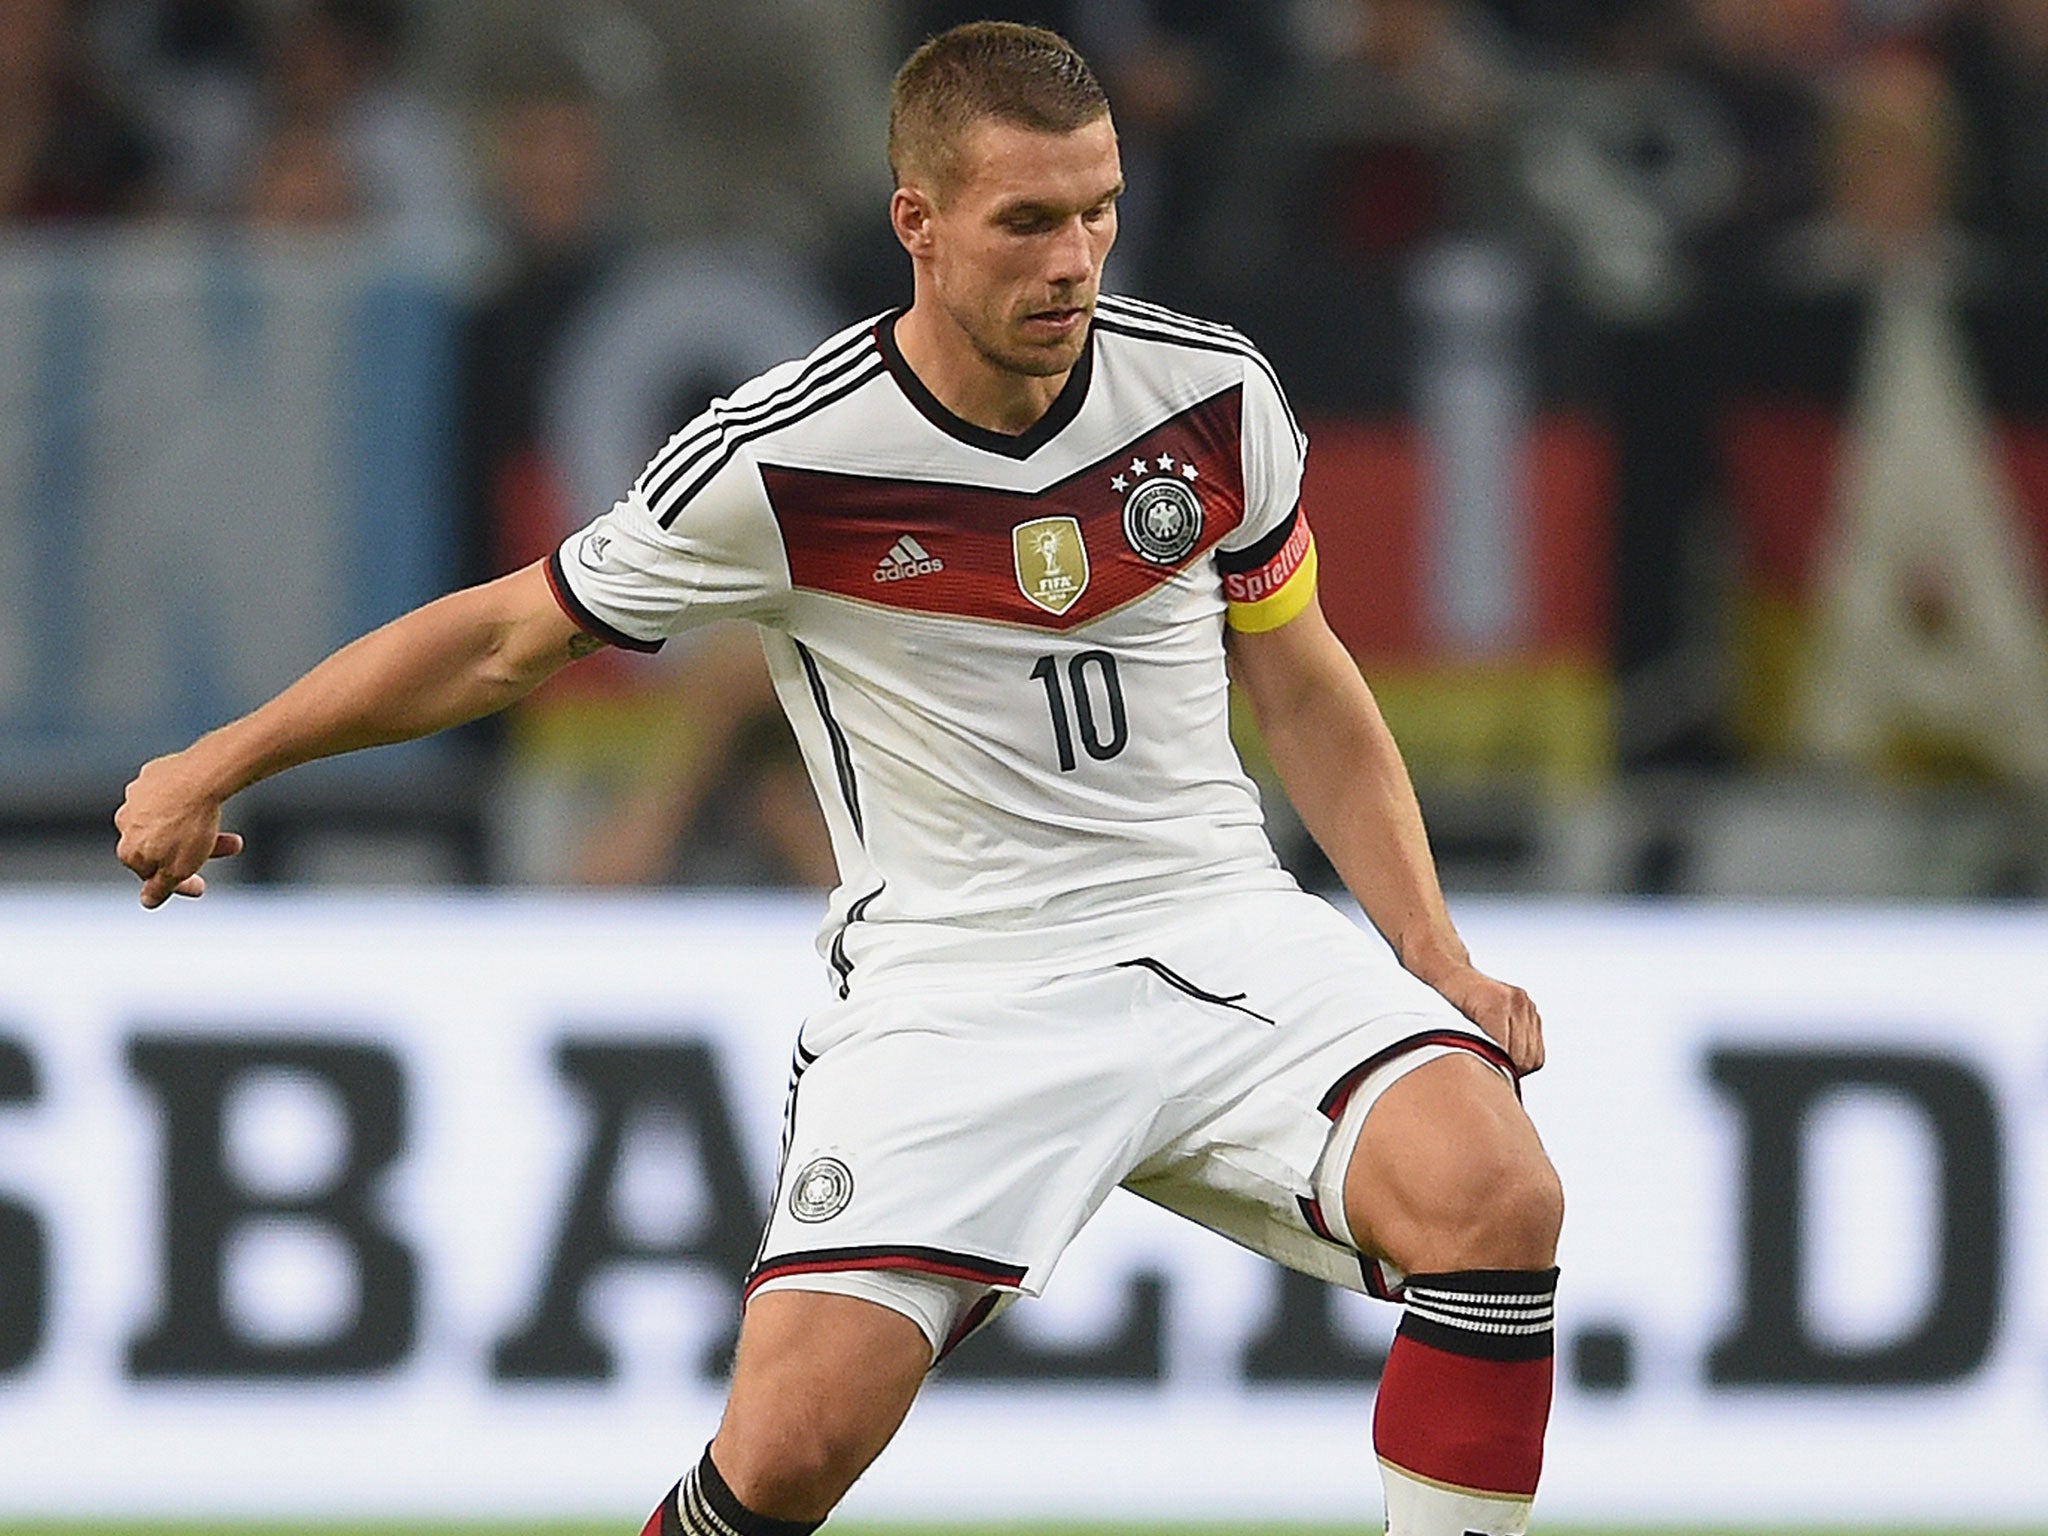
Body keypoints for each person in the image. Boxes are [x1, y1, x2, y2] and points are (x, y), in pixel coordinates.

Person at [115, 22, 1562, 1535]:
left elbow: (1303, 675)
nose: (1075, 260)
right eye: (1027, 222)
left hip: (1217, 921)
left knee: (1497, 1198)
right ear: (918, 224)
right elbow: (499, 641)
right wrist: (226, 757)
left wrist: (1430, 950)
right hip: (961, 979)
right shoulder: (782, 462)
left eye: (1099, 211)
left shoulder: (1209, 397)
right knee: (792, 1451)